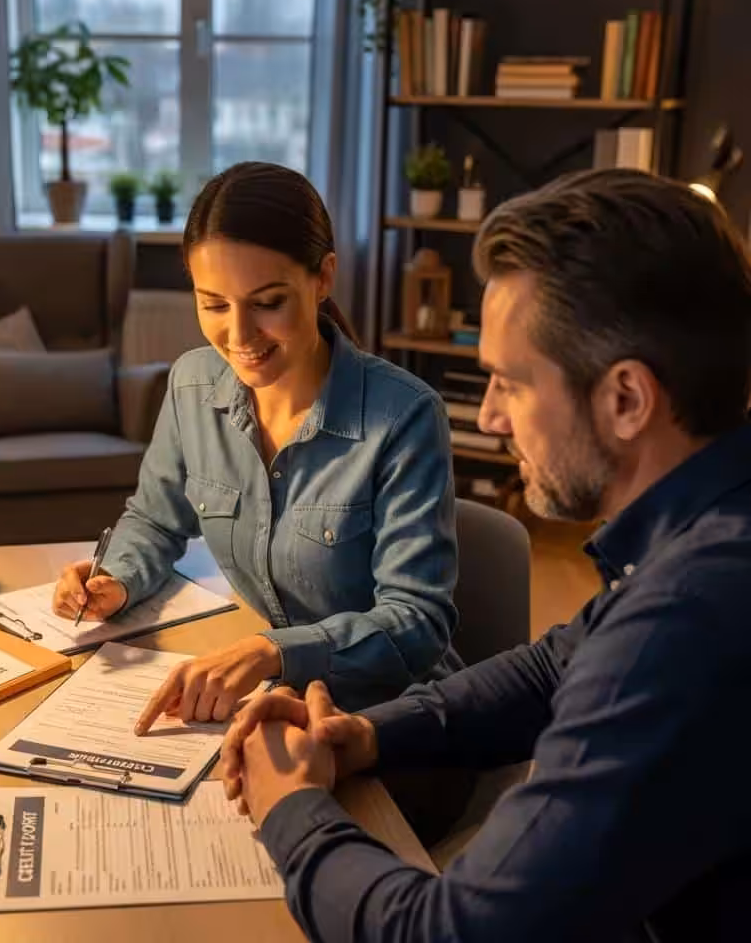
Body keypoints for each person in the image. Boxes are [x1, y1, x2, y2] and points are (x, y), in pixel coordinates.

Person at [220, 168, 751, 942]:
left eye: (508, 382)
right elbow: (553, 668)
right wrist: (365, 735)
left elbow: (445, 933)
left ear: (627, 400)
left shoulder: (689, 618)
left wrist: (288, 808)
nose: (491, 418)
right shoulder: (703, 523)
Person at [53, 161, 459, 728]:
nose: (238, 337)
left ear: (323, 278)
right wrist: (114, 580)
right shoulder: (191, 386)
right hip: (270, 698)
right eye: (214, 305)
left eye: (268, 302)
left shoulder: (404, 417)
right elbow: (155, 519)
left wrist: (274, 651)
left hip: (389, 717)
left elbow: (418, 622)